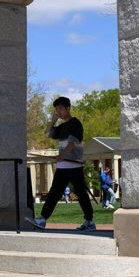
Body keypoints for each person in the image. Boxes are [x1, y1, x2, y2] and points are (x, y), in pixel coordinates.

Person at [28, 96, 95, 232]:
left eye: (60, 108)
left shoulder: (75, 123)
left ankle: (89, 221)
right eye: (56, 109)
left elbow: (72, 143)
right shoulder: (61, 127)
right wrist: (53, 120)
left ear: (68, 108)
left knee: (81, 194)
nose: (58, 111)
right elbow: (46, 133)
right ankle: (42, 219)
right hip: (63, 165)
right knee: (54, 193)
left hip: (74, 165)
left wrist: (62, 156)